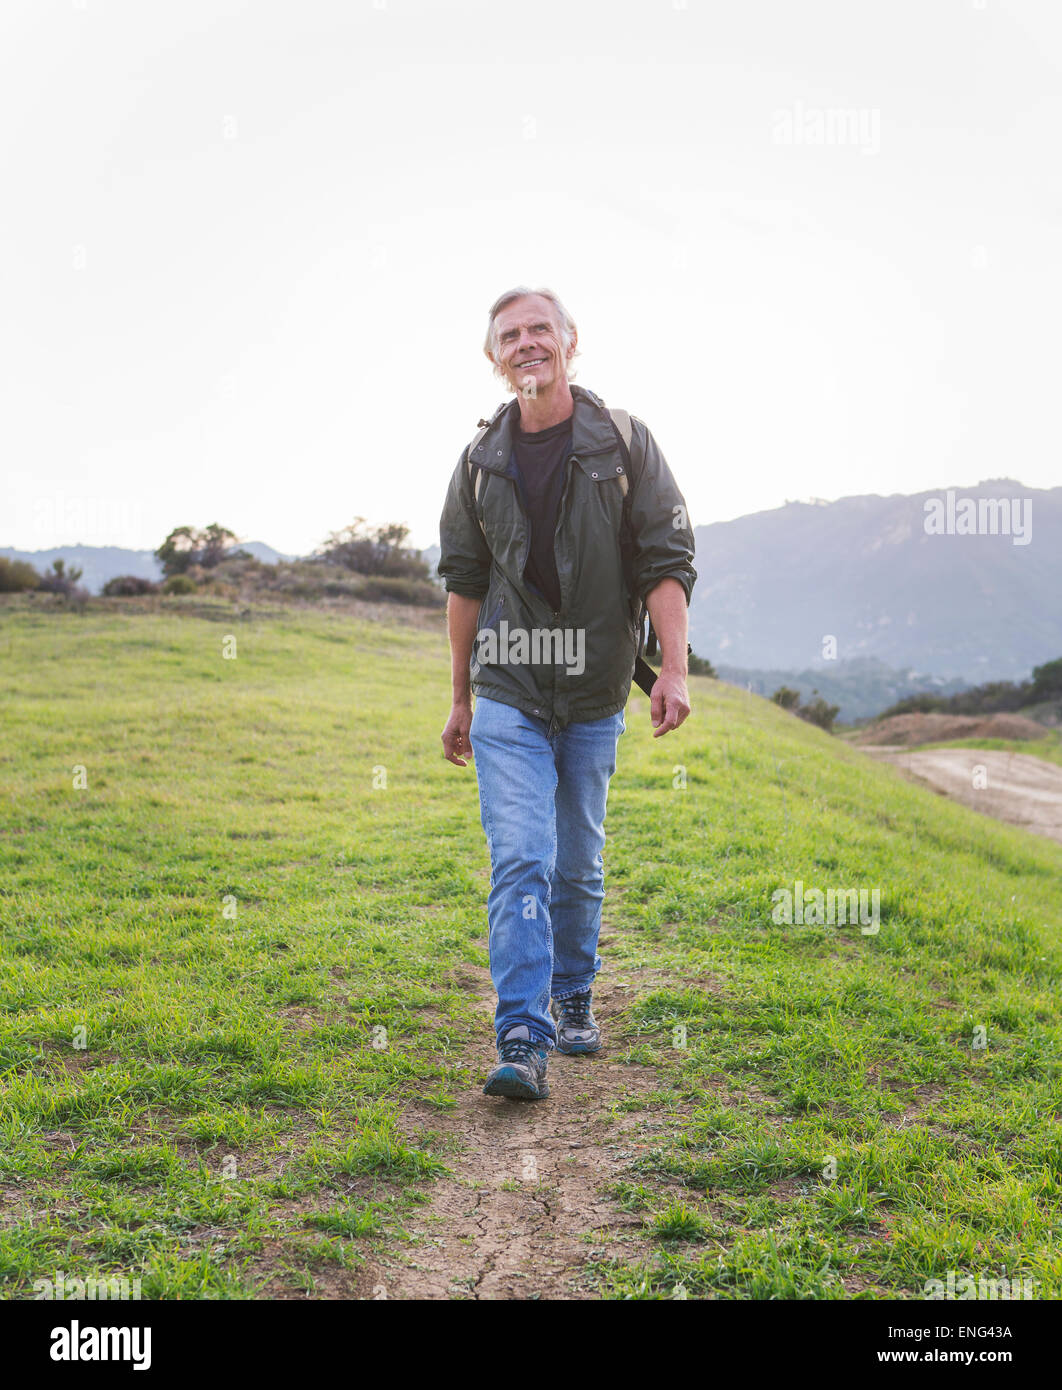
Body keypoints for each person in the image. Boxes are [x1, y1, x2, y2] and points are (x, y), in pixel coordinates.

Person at [438, 286, 696, 1100]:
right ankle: (523, 1032)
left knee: (577, 864)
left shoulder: (623, 443)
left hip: (594, 690)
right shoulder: (479, 464)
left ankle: (574, 988)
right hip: (509, 687)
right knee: (522, 858)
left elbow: (663, 562)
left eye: (539, 329)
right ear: (494, 358)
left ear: (570, 342)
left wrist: (677, 672)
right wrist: (459, 699)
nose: (526, 344)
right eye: (509, 335)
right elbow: (465, 585)